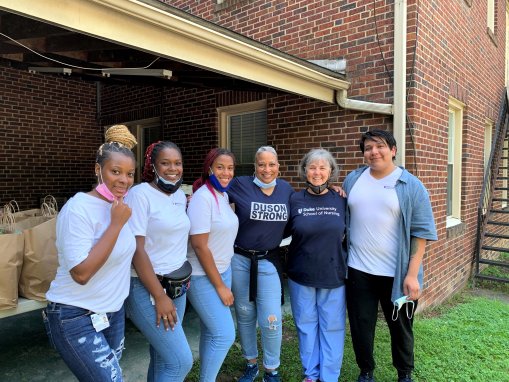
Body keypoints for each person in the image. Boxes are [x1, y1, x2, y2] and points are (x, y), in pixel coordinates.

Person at [43, 125, 137, 381]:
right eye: (115, 171)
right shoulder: (78, 208)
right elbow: (81, 273)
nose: (123, 180)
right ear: (98, 170)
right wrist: (116, 225)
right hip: (75, 315)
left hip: (112, 312)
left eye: (129, 174)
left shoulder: (121, 207)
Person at [343, 129, 437, 382]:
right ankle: (366, 370)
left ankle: (404, 373)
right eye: (368, 148)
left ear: (393, 150)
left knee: (401, 327)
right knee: (361, 325)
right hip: (358, 270)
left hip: (397, 274)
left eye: (380, 146)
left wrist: (412, 274)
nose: (374, 152)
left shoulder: (410, 185)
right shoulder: (353, 180)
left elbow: (421, 232)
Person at [124, 141, 193, 381]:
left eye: (177, 163)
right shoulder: (140, 195)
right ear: (152, 166)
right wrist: (160, 296)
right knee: (180, 361)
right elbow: (137, 250)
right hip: (147, 287)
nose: (172, 168)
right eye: (165, 163)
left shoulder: (180, 196)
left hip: (177, 284)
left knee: (163, 356)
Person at [228, 146, 294, 382]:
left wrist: (335, 191)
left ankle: (271, 369)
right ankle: (251, 363)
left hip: (268, 261)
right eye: (261, 164)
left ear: (278, 166)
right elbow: (214, 190)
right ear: (254, 166)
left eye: (271, 164)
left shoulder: (286, 189)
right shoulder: (240, 184)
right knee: (245, 314)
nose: (267, 169)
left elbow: (303, 209)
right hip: (240, 259)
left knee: (270, 318)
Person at [286, 148, 348, 382]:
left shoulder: (341, 199)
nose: (317, 172)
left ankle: (329, 377)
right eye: (312, 167)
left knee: (332, 328)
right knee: (306, 326)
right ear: (305, 170)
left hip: (333, 274)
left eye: (323, 167)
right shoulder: (294, 199)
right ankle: (311, 375)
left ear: (331, 171)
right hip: (300, 274)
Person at [186, 148, 239, 382]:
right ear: (209, 169)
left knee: (211, 332)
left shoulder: (223, 196)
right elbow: (199, 246)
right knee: (225, 334)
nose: (226, 172)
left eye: (230, 168)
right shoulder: (202, 198)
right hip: (203, 276)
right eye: (220, 167)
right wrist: (220, 286)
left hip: (222, 271)